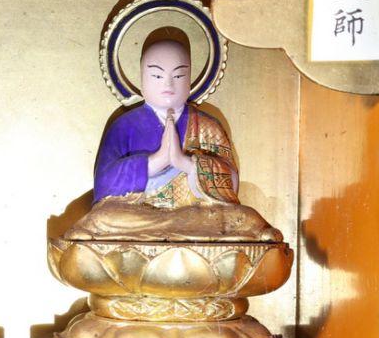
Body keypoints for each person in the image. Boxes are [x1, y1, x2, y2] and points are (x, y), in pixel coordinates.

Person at [64, 33, 280, 242]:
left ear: (190, 79)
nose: (168, 85)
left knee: (242, 217)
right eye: (157, 76)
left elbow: (230, 184)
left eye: (178, 76)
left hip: (195, 213)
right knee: (102, 218)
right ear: (142, 78)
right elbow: (104, 183)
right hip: (137, 214)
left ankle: (172, 234)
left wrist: (184, 162)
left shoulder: (207, 126)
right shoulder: (124, 125)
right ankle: (177, 234)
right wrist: (156, 161)